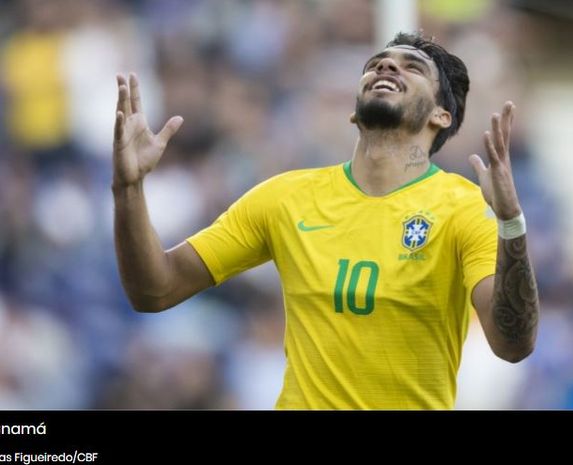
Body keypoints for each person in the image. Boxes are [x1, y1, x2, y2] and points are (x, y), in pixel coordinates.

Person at [112, 32, 539, 409]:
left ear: (441, 115)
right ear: (354, 111)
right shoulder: (286, 198)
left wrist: (511, 225)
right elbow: (155, 290)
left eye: (412, 67)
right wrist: (128, 190)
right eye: (376, 65)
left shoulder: (464, 208)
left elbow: (512, 344)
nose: (386, 66)